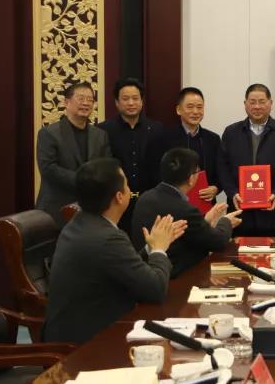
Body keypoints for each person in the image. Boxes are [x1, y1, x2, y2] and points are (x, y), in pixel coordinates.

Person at [43, 158, 186, 344]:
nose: (129, 189)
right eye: (126, 184)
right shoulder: (107, 237)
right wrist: (159, 249)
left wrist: (151, 246)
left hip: (75, 331)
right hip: (88, 344)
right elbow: (156, 290)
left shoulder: (80, 222)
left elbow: (124, 267)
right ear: (119, 196)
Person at [132, 148, 242, 277]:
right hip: (178, 276)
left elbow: (190, 233)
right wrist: (226, 221)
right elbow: (217, 242)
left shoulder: (145, 198)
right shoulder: (185, 209)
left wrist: (205, 221)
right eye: (197, 170)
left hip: (145, 273)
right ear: (191, 179)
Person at [218, 84, 275, 235]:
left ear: (270, 103)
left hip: (272, 208)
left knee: (273, 249)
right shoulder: (231, 132)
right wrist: (232, 192)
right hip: (240, 208)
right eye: (252, 102)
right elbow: (222, 166)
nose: (257, 106)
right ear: (245, 104)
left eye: (262, 102)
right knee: (238, 248)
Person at [35, 82, 111, 226]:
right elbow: (48, 168)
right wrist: (84, 181)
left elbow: (106, 166)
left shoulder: (100, 135)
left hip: (91, 208)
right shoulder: (49, 133)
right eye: (81, 98)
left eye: (90, 100)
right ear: (66, 102)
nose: (86, 103)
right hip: (56, 210)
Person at [99, 77, 163, 234]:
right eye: (125, 99)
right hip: (116, 203)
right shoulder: (104, 130)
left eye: (135, 98)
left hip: (149, 202)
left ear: (141, 101)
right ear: (117, 102)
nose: (131, 103)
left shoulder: (156, 129)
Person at [146, 87, 223, 209]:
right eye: (190, 107)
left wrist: (216, 188)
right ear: (178, 110)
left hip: (205, 205)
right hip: (172, 205)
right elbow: (155, 172)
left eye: (199, 107)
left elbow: (222, 171)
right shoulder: (163, 138)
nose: (195, 111)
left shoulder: (213, 139)